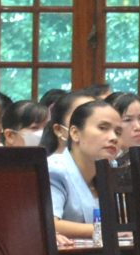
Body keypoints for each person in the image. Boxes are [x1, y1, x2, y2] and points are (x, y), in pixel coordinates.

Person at [47, 98, 121, 239]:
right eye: (103, 128)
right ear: (75, 133)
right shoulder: (55, 169)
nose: (114, 138)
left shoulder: (112, 170)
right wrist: (112, 230)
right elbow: (49, 224)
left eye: (118, 132)